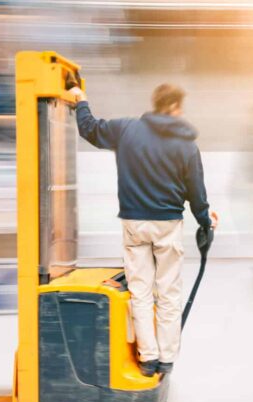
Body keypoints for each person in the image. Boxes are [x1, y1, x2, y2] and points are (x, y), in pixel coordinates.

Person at [70, 83, 217, 376]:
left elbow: (89, 129)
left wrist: (81, 100)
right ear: (175, 107)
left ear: (155, 103)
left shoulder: (126, 129)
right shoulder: (187, 145)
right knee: (168, 294)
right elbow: (196, 192)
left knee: (141, 292)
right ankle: (166, 358)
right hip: (168, 225)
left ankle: (147, 359)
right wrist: (205, 219)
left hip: (134, 223)